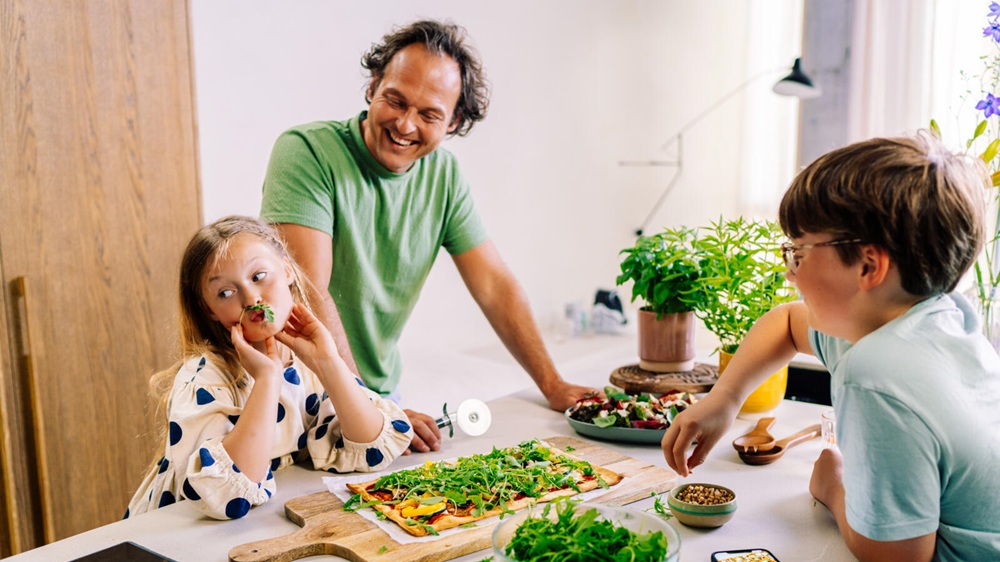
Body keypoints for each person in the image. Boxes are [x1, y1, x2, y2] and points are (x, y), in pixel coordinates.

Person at [260, 19, 596, 453]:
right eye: (395, 100)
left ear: (454, 121)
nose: (405, 124)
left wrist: (553, 384)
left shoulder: (445, 175)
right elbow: (307, 290)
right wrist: (370, 407)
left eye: (429, 114)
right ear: (373, 86)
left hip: (375, 393)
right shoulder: (306, 152)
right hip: (299, 391)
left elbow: (494, 285)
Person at [660, 132, 1000, 561]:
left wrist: (832, 485)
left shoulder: (875, 372)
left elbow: (896, 556)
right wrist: (724, 399)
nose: (790, 274)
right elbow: (785, 321)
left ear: (868, 265)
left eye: (798, 253)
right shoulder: (939, 317)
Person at [126, 216, 412, 520]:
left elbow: (373, 448)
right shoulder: (205, 378)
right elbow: (226, 497)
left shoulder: (308, 365)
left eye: (259, 276)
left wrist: (328, 362)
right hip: (168, 537)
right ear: (210, 310)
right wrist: (267, 378)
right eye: (225, 293)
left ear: (287, 269)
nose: (251, 298)